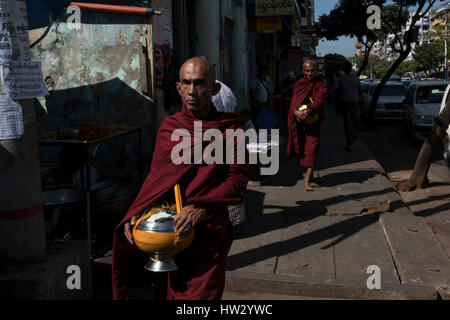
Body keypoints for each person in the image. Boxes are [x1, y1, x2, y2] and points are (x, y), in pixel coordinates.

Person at [111, 57, 250, 300]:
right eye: (186, 83)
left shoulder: (230, 129)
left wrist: (202, 207)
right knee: (169, 293)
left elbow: (237, 180)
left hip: (208, 232)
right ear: (178, 88)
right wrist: (138, 209)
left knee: (200, 297)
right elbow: (158, 178)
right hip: (168, 233)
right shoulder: (170, 127)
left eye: (200, 83)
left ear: (214, 89)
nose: (192, 91)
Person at [286, 60, 327, 192]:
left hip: (314, 122)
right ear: (303, 71)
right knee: (302, 148)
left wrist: (308, 110)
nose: (310, 73)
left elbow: (319, 101)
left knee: (312, 149)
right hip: (300, 123)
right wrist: (297, 112)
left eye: (312, 70)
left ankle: (307, 181)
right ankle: (311, 171)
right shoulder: (300, 84)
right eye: (307, 71)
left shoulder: (322, 84)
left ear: (317, 70)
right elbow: (294, 102)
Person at [335, 62, 367, 151]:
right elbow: (360, 91)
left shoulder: (341, 79)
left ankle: (350, 143)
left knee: (347, 124)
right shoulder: (355, 78)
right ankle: (353, 137)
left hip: (345, 104)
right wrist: (364, 101)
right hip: (354, 103)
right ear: (350, 69)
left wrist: (337, 106)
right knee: (354, 122)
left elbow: (337, 92)